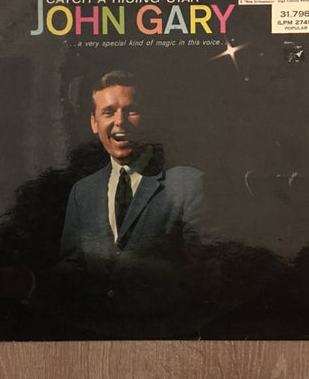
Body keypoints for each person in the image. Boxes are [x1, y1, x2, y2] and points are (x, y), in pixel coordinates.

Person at [50, 70, 218, 338]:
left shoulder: (187, 184)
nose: (120, 121)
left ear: (148, 117)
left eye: (132, 111)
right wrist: (30, 284)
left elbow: (207, 275)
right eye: (108, 112)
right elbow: (72, 274)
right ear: (94, 123)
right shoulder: (82, 193)